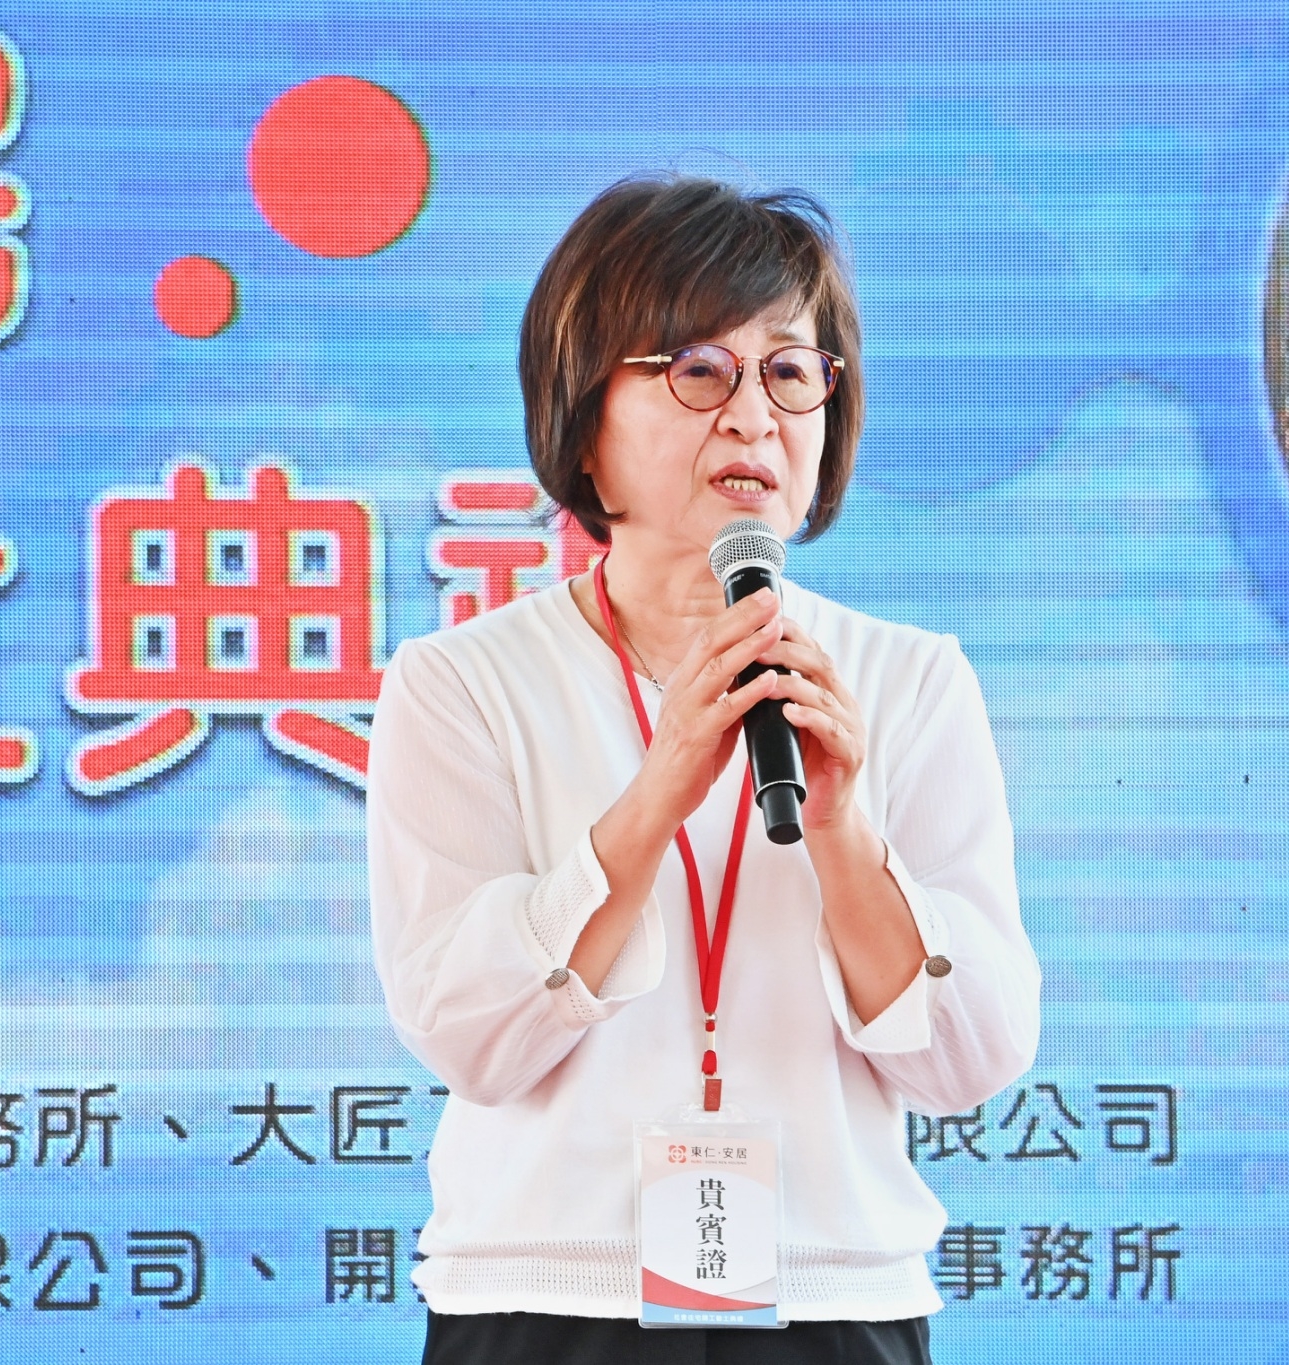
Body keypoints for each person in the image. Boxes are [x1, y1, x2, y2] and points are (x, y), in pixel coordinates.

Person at [368, 174, 1040, 1365]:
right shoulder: (461, 682)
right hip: (545, 1302)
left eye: (789, 372)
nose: (752, 417)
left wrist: (844, 836)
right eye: (697, 371)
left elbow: (971, 1057)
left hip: (830, 1300)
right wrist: (653, 798)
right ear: (583, 423)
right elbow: (466, 1035)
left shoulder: (909, 680)